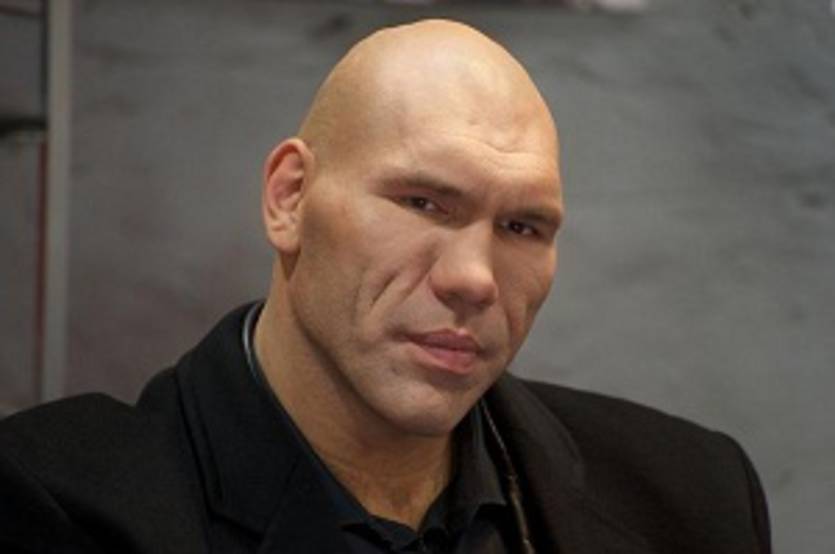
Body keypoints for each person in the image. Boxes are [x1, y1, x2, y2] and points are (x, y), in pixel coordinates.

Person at [0, 19, 770, 554]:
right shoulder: (50, 507)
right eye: (423, 203)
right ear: (290, 198)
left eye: (522, 227)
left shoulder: (691, 496)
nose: (473, 278)